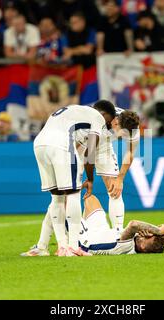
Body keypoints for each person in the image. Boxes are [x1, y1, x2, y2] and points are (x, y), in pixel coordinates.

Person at [23, 108, 142, 257]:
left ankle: (118, 236)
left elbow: (130, 152)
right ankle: (43, 243)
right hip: (80, 141)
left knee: (115, 189)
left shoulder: (133, 129)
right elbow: (84, 147)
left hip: (101, 146)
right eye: (122, 134)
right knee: (65, 193)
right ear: (115, 122)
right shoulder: (100, 117)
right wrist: (84, 172)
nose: (122, 138)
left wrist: (120, 178)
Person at [32, 101, 116, 257]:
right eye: (108, 122)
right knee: (73, 194)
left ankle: (61, 247)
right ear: (103, 114)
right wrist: (90, 179)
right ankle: (73, 246)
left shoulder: (73, 110)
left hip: (39, 145)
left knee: (57, 197)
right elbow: (90, 153)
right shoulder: (97, 117)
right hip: (60, 145)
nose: (107, 126)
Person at [22, 195, 164, 256]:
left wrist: (158, 230)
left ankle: (43, 247)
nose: (147, 235)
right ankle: (69, 225)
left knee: (59, 202)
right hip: (102, 231)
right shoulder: (144, 243)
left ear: (144, 248)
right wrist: (163, 235)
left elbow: (134, 224)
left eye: (149, 237)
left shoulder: (127, 247)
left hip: (85, 240)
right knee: (90, 198)